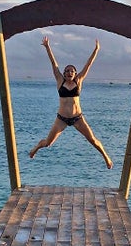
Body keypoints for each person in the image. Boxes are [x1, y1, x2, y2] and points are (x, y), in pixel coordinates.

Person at [29, 36, 113, 169]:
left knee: (92, 140)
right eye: (67, 71)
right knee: (48, 143)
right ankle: (37, 147)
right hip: (61, 119)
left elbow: (88, 64)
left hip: (77, 118)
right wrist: (47, 47)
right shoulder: (59, 80)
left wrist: (96, 50)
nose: (69, 73)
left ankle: (106, 158)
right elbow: (53, 63)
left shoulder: (78, 81)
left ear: (75, 73)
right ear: (64, 73)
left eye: (72, 71)